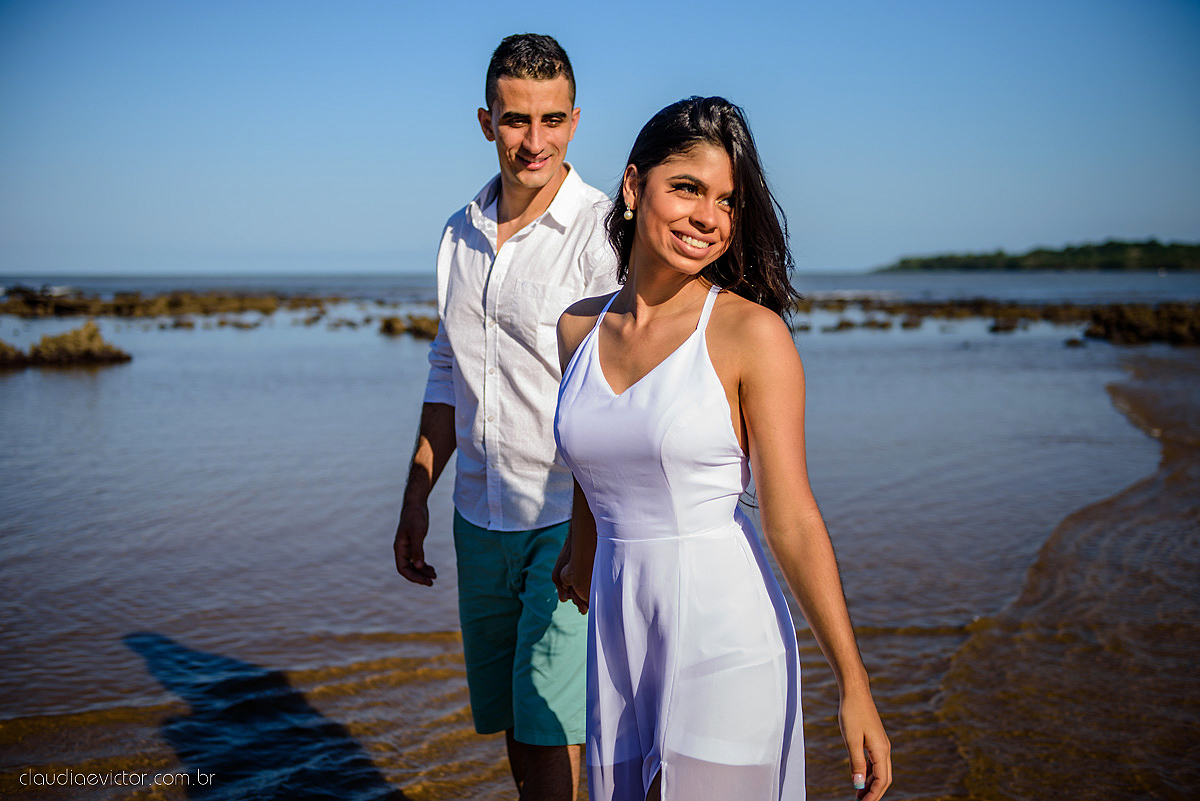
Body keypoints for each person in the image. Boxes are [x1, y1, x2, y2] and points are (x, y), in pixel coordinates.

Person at [553, 97, 893, 801]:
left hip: (722, 633)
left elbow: (791, 520)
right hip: (617, 631)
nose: (709, 217)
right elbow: (596, 458)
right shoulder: (577, 329)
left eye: (727, 200)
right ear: (632, 185)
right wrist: (580, 544)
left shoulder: (750, 334)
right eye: (687, 188)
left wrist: (853, 687)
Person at [392, 33, 618, 801]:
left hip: (563, 513)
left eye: (552, 120)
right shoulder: (457, 235)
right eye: (517, 120)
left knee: (551, 721)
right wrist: (416, 493)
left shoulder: (602, 233)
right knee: (513, 726)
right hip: (475, 515)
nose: (535, 140)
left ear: (576, 121)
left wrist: (590, 533)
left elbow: (612, 394)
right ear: (487, 121)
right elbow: (449, 366)